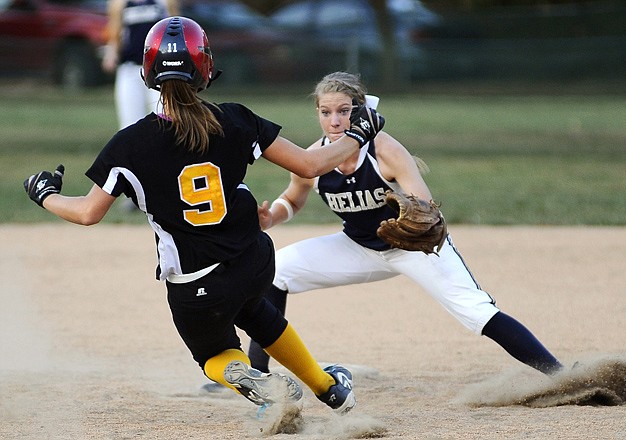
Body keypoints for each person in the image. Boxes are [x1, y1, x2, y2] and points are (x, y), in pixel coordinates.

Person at [24, 19, 385, 415]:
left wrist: (45, 195)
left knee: (215, 352)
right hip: (253, 260)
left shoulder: (129, 144)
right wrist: (358, 134)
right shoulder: (234, 119)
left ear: (147, 70)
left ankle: (240, 372)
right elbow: (311, 164)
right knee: (255, 311)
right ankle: (329, 389)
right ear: (206, 68)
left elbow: (88, 213)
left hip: (196, 283)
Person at [246, 71, 564, 376]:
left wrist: (415, 218)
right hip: (358, 247)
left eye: (344, 111)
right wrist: (272, 216)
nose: (335, 120)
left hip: (413, 248)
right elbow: (294, 197)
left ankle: (561, 375)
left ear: (359, 113)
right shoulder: (314, 157)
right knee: (278, 270)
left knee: (476, 312)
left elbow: (426, 207)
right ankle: (258, 376)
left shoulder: (384, 150)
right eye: (326, 112)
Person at [102, 0, 180, 130]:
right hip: (131, 67)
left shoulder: (164, 2)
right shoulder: (119, 3)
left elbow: (177, 29)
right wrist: (112, 53)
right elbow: (115, 32)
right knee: (130, 124)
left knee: (166, 120)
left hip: (159, 70)